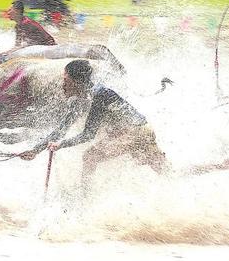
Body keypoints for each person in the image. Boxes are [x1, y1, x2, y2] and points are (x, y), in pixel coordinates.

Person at [19, 60, 168, 185]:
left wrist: (61, 145)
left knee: (90, 157)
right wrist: (35, 150)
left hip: (135, 132)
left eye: (66, 80)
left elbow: (88, 135)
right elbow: (61, 130)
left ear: (77, 82)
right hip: (139, 131)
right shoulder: (79, 101)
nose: (62, 85)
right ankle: (190, 175)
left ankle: (84, 199)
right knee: (166, 171)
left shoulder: (99, 95)